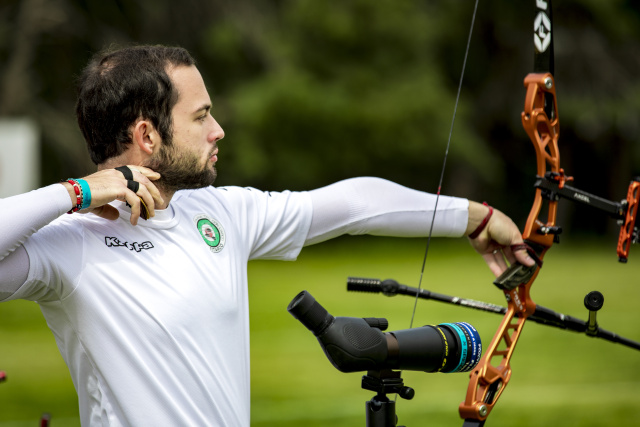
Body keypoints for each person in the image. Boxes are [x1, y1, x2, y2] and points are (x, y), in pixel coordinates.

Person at [0, 45, 534, 426]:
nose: (218, 131)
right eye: (201, 116)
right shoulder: (68, 244)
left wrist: (479, 218)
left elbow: (353, 204)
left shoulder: (217, 212)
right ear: (147, 135)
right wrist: (78, 192)